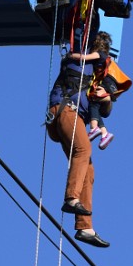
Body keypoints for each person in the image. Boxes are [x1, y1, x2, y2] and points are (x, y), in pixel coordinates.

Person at [46, 51, 113, 248]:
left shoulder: (96, 82)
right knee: (83, 151)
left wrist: (106, 97)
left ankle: (85, 227)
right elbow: (79, 51)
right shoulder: (81, 62)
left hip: (71, 120)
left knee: (89, 170)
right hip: (65, 111)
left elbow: (105, 112)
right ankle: (72, 197)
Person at [66, 31, 121, 150]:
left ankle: (94, 128)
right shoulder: (106, 57)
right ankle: (105, 133)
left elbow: (84, 57)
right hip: (108, 84)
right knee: (93, 107)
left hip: (105, 84)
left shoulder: (99, 54)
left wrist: (72, 55)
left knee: (94, 102)